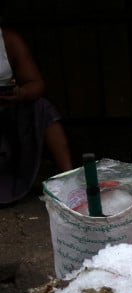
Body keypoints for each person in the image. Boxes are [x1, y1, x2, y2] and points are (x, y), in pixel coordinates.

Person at [0, 25, 72, 204]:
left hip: (8, 111)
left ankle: (70, 180)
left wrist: (20, 93)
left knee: (43, 108)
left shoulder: (9, 41)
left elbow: (36, 83)